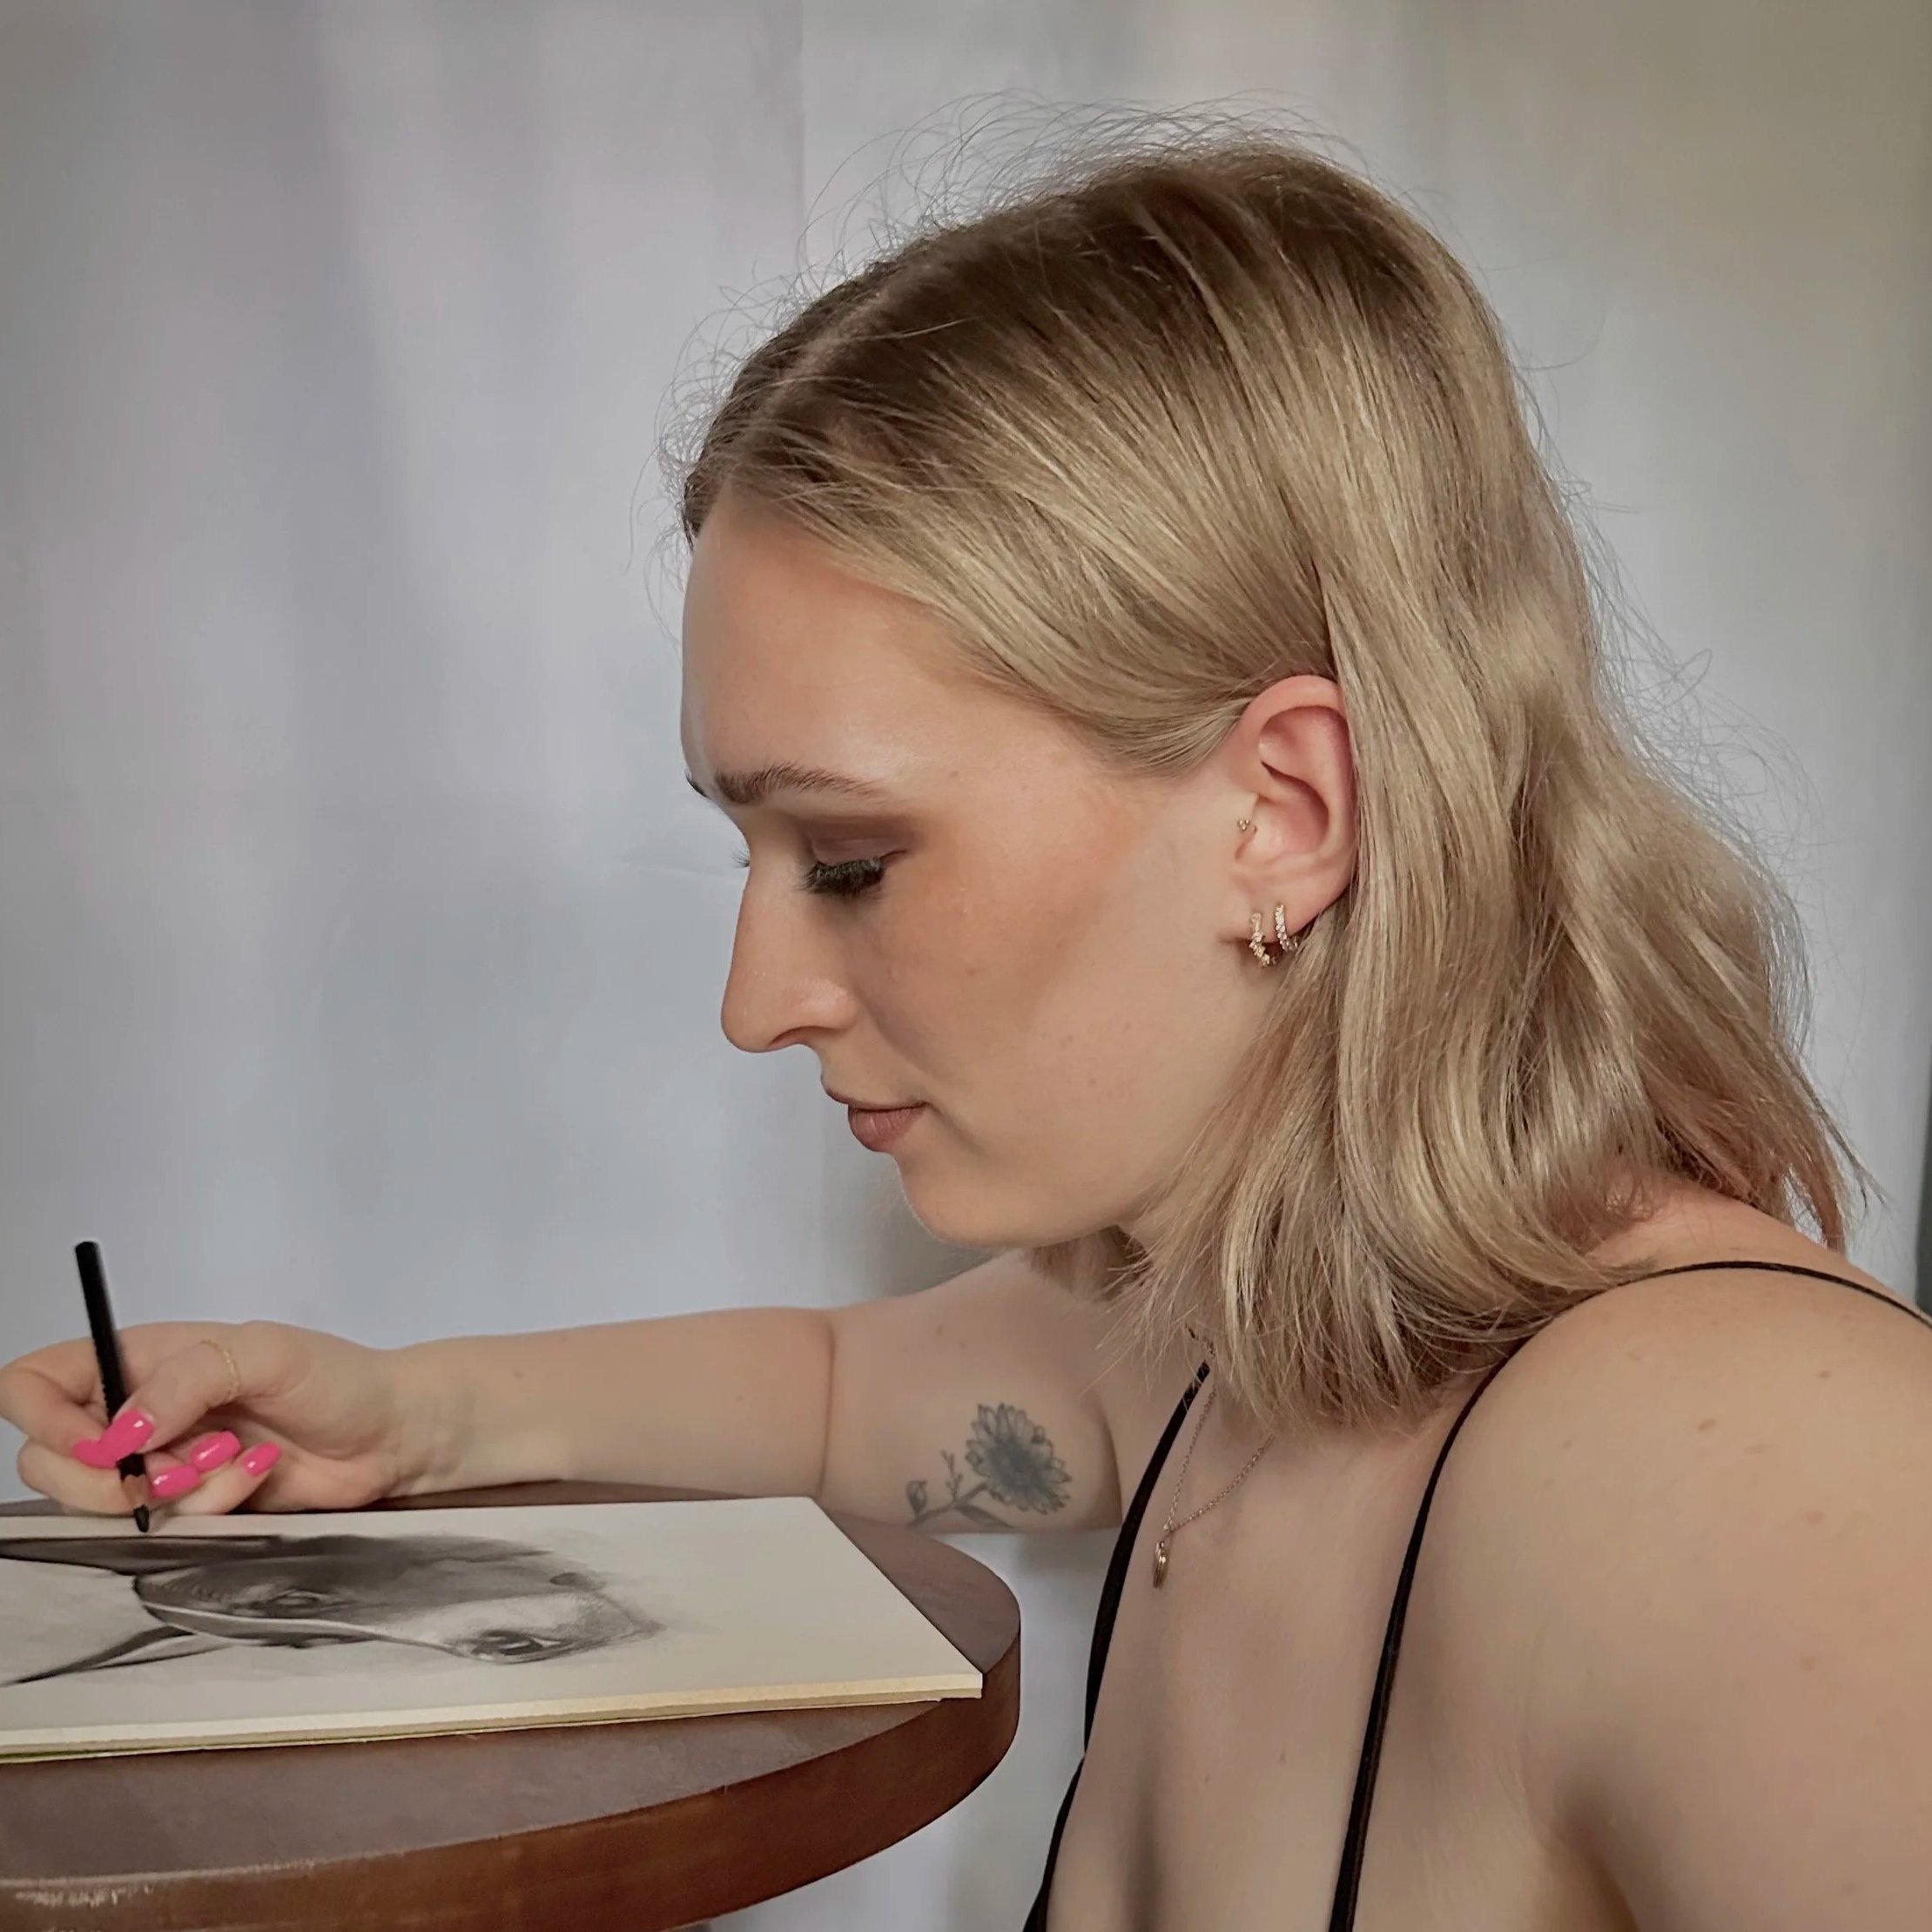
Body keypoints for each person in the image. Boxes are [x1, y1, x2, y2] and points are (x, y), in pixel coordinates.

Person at [5, 121, 1930, 1928]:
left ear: (1286, 813)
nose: (756, 1006)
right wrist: (405, 1417)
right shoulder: (1221, 1334)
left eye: (849, 861)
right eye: (753, 857)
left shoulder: (1769, 1487)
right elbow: (849, 1392)